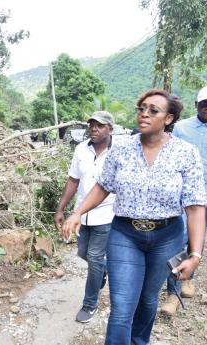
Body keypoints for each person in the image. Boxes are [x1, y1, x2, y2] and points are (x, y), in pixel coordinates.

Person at [62, 89, 207, 345]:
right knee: (122, 306)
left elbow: (195, 206)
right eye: (141, 108)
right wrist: (77, 212)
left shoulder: (186, 153)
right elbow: (103, 186)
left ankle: (140, 341)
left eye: (153, 110)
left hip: (167, 238)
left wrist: (195, 254)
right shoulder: (122, 149)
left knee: (148, 299)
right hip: (125, 235)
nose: (144, 114)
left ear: (169, 119)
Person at [55, 111, 116, 323]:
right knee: (83, 253)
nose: (94, 129)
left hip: (108, 214)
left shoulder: (118, 152)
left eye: (99, 125)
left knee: (95, 258)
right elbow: (73, 180)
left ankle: (90, 304)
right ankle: (104, 271)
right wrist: (61, 208)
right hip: (81, 214)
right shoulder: (81, 149)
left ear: (110, 129)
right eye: (91, 124)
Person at [161, 85, 207, 315]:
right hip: (183, 200)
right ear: (196, 105)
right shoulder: (181, 128)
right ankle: (172, 294)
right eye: (204, 103)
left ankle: (188, 279)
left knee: (196, 244)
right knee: (177, 243)